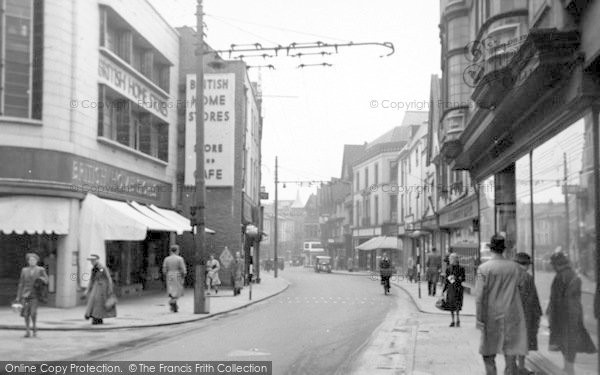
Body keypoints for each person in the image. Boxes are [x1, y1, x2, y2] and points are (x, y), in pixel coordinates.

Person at [475, 234, 527, 375]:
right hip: (512, 314)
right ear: (503, 250)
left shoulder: (484, 269)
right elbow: (522, 288)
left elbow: (479, 297)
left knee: (488, 353)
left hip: (491, 316)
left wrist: (479, 318)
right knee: (510, 353)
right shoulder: (516, 268)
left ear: (491, 249)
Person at [547, 251, 596, 375]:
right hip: (574, 313)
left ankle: (569, 369)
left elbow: (556, 299)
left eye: (553, 264)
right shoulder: (573, 275)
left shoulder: (561, 276)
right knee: (569, 341)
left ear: (557, 264)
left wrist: (552, 315)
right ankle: (568, 368)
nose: (552, 267)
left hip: (563, 314)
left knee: (565, 342)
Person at [512, 252, 542, 375]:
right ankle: (521, 368)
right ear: (523, 265)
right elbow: (532, 298)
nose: (528, 267)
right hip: (524, 315)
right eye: (527, 264)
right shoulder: (527, 277)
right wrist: (537, 314)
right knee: (523, 343)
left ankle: (513, 367)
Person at [16, 253, 48, 338]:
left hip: (35, 295)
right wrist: (18, 296)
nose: (32, 261)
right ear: (28, 261)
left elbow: (46, 280)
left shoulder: (40, 269)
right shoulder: (24, 270)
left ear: (37, 261)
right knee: (26, 314)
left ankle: (34, 328)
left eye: (33, 260)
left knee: (33, 313)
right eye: (30, 260)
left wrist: (41, 279)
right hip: (25, 296)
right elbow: (21, 283)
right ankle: (27, 331)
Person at [83, 254, 116, 325]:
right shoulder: (94, 269)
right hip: (96, 287)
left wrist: (110, 289)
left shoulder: (102, 268)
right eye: (91, 261)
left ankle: (97, 318)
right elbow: (91, 280)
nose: (91, 262)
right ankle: (95, 317)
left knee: (99, 304)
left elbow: (108, 278)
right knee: (94, 302)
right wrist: (87, 290)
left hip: (103, 288)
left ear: (97, 260)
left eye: (93, 260)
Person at [162, 245, 186, 312]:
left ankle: (174, 306)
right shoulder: (179, 259)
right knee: (178, 290)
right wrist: (183, 275)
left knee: (171, 289)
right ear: (177, 250)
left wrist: (166, 274)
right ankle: (172, 301)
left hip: (169, 274)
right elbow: (183, 269)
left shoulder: (166, 259)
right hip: (177, 274)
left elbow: (164, 269)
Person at [443, 253, 465, 327]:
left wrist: (456, 278)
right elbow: (447, 279)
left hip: (455, 288)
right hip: (454, 288)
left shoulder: (460, 268)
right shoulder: (449, 268)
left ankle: (456, 320)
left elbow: (463, 278)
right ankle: (455, 320)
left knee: (455, 304)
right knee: (453, 304)